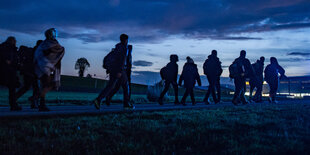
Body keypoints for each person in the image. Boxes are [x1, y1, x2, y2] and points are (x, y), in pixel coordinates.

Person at [94, 34, 134, 109]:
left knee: (111, 86)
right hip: (120, 70)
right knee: (126, 86)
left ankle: (98, 99)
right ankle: (126, 103)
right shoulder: (124, 48)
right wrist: (120, 71)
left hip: (113, 69)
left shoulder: (117, 47)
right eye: (127, 40)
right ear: (125, 40)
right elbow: (122, 61)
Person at [34, 28, 65, 111]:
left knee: (48, 85)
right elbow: (59, 50)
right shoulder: (49, 44)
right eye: (54, 33)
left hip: (42, 67)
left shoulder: (44, 44)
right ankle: (40, 102)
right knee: (48, 85)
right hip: (44, 67)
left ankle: (38, 99)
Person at [15, 40, 43, 108]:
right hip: (33, 72)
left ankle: (13, 99)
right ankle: (33, 101)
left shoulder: (31, 50)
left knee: (26, 87)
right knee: (37, 89)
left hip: (27, 72)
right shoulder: (38, 52)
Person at [0, 36, 22, 111]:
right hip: (9, 71)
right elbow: (9, 60)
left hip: (6, 70)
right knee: (12, 89)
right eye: (15, 41)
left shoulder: (3, 47)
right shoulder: (9, 49)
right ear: (12, 41)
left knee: (12, 88)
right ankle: (13, 105)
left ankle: (13, 105)